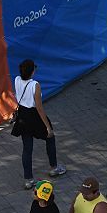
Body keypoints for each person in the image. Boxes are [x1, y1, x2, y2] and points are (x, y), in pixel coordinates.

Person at [14, 59, 66, 189]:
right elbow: (39, 108)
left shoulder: (16, 80)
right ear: (32, 72)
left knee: (27, 148)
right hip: (34, 116)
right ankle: (54, 167)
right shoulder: (35, 85)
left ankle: (28, 179)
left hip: (22, 116)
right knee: (50, 138)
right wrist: (48, 127)